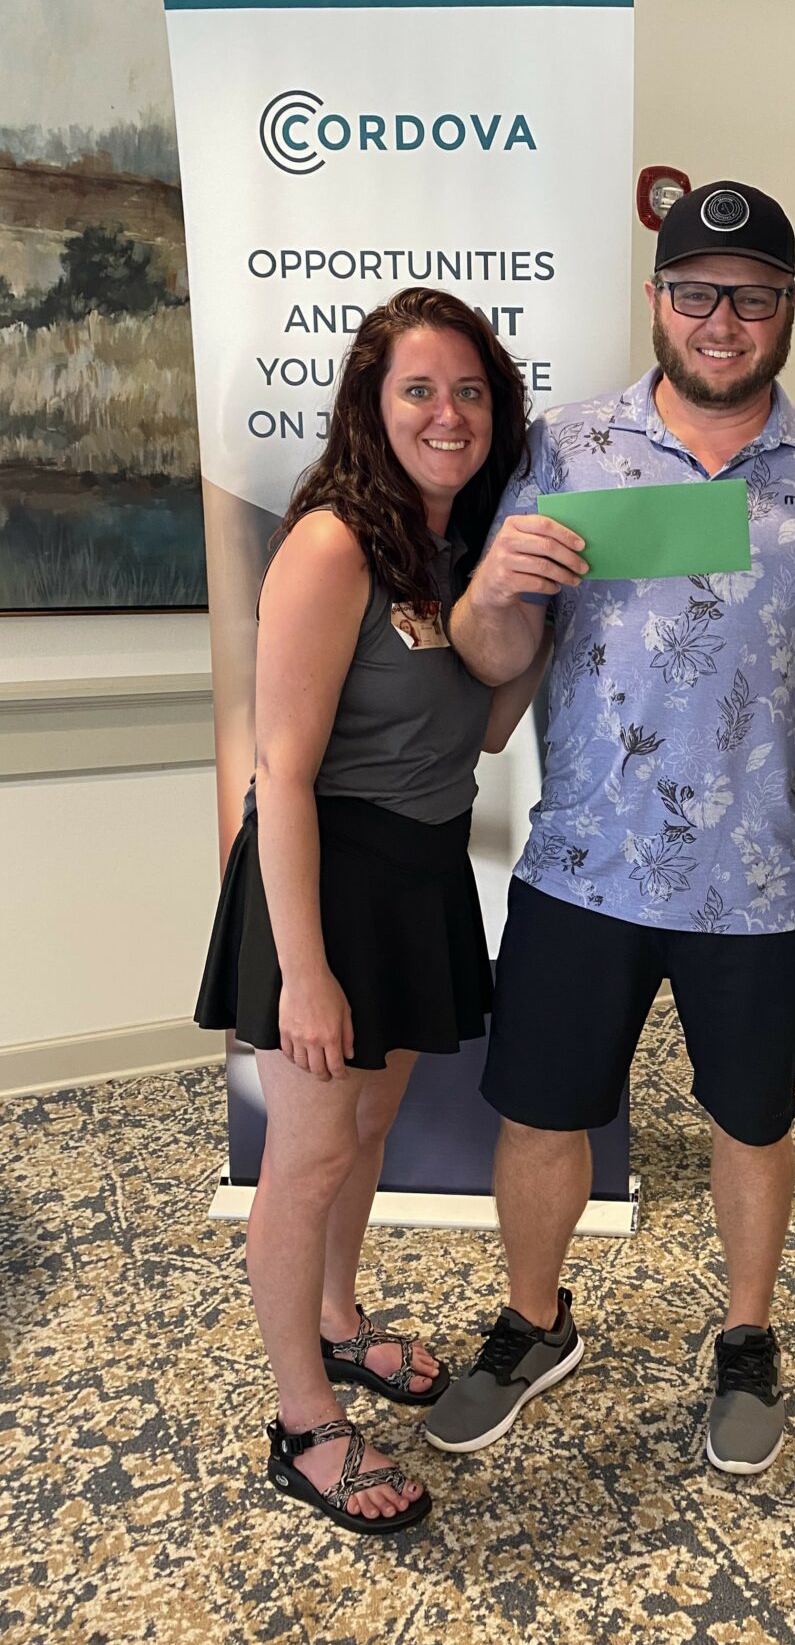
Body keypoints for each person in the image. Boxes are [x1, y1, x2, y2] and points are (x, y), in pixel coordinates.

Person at [427, 181, 795, 1475]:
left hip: (764, 879)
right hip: (586, 863)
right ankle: (535, 1322)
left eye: (751, 298)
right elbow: (494, 656)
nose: (721, 321)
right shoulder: (566, 451)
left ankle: (746, 1337)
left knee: (754, 1119)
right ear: (657, 301)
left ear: (788, 308)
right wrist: (492, 591)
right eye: (695, 294)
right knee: (542, 1111)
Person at [196, 287, 536, 1534]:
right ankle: (304, 1426)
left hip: (421, 870)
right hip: (325, 877)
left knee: (370, 1124)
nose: (449, 414)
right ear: (370, 406)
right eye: (419, 390)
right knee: (307, 1156)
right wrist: (304, 971)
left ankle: (339, 1322)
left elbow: (485, 731)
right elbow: (279, 771)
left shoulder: (458, 549)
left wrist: (541, 618)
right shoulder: (334, 543)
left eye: (470, 392)